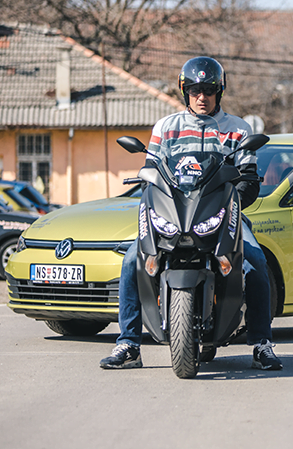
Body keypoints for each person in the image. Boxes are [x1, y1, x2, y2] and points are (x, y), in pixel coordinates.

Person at [100, 56, 282, 371]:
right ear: (185, 91)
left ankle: (261, 344)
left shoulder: (238, 129)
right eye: (196, 89)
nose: (202, 96)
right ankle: (128, 344)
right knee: (132, 261)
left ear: (219, 91)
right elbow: (151, 175)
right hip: (173, 214)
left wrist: (231, 206)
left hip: (222, 214)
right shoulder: (166, 128)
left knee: (255, 263)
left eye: (209, 89)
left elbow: (249, 182)